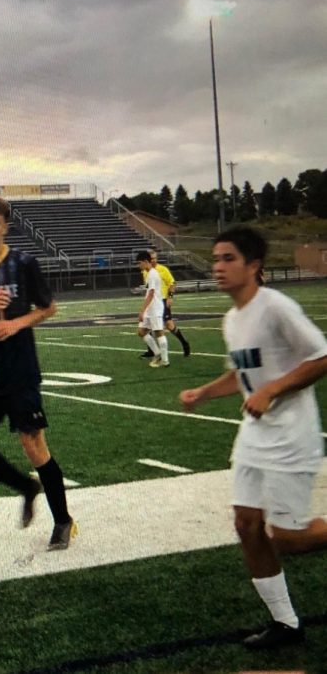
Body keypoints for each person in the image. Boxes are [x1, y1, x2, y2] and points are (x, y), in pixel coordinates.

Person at [180, 226, 327, 649]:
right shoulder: (233, 318)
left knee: (289, 537)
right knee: (247, 525)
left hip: (291, 436)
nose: (218, 267)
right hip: (254, 436)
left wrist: (272, 390)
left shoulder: (276, 307)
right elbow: (242, 372)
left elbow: (321, 356)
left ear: (254, 265)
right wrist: (205, 392)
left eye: (228, 259)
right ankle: (286, 624)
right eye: (216, 259)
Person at [0, 196, 75, 550]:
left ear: (5, 227)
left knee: (34, 446)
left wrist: (16, 324)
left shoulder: (23, 263)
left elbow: (48, 308)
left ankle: (63, 521)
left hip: (20, 369)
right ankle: (25, 486)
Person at [140, 250, 191, 358]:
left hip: (162, 301)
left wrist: (170, 297)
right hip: (153, 302)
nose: (153, 260)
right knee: (148, 325)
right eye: (151, 258)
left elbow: (172, 283)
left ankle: (184, 343)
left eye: (155, 258)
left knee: (168, 325)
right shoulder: (145, 272)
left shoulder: (163, 270)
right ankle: (152, 351)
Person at [135, 250, 169, 367]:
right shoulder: (149, 274)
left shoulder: (153, 274)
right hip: (150, 308)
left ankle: (165, 360)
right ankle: (158, 353)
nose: (138, 265)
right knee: (141, 331)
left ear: (145, 261)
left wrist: (142, 311)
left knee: (159, 332)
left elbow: (151, 294)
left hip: (155, 308)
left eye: (139, 263)